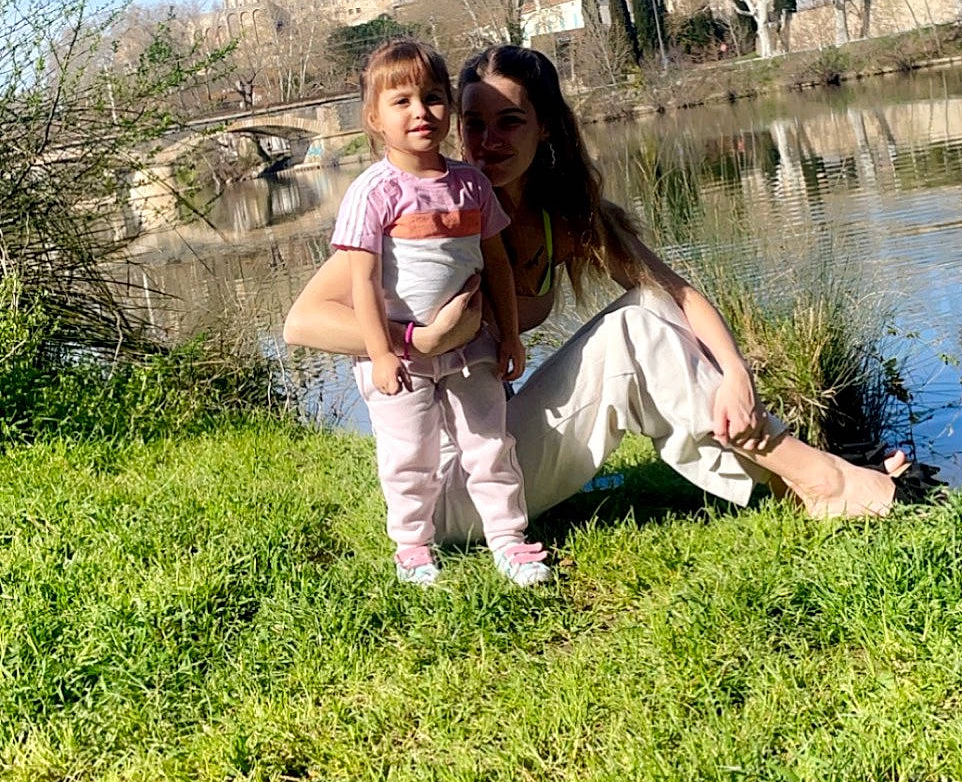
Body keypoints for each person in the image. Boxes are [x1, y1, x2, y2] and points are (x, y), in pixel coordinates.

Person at [285, 44, 909, 535]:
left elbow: (677, 292)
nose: (487, 142)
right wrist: (419, 339)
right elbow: (302, 323)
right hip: (447, 492)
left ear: (547, 129)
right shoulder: (426, 218)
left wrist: (738, 373)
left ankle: (799, 479)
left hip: (497, 457)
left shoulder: (569, 219)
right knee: (633, 331)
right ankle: (822, 480)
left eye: (509, 122)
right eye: (473, 124)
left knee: (647, 308)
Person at [332, 37, 549, 589]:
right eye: (401, 101)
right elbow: (360, 281)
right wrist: (381, 351)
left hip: (473, 346)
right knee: (408, 452)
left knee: (489, 441)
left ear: (449, 108)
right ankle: (412, 544)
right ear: (374, 118)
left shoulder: (471, 184)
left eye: (432, 97)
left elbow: (495, 262)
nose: (420, 112)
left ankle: (508, 539)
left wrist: (509, 337)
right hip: (402, 356)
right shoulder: (373, 192)